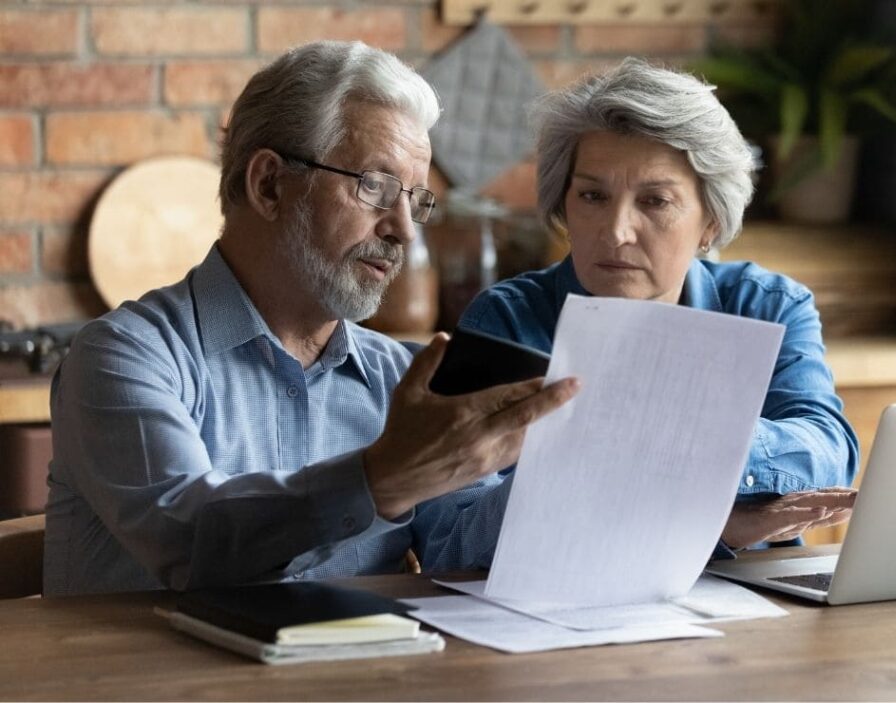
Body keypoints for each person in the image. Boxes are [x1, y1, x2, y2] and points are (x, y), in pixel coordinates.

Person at [42, 40, 578, 596]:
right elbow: (191, 544)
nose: (404, 229)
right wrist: (378, 481)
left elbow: (459, 548)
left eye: (415, 200)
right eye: (375, 187)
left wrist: (568, 466)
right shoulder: (124, 356)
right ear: (270, 184)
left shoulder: (404, 375)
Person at [457, 58, 860, 553]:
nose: (616, 231)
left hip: (750, 605)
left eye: (654, 202)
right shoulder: (504, 321)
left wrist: (674, 440)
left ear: (710, 222)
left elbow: (827, 450)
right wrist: (708, 520)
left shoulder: (768, 306)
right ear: (564, 206)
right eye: (591, 195)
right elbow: (456, 534)